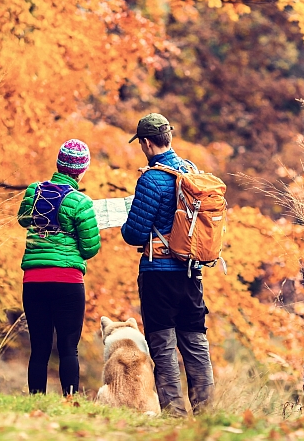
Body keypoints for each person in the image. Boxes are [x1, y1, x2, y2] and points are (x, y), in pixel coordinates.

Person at [121, 113, 215, 416]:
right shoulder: (191, 172)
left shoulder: (151, 179)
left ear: (147, 143)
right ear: (170, 137)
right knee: (195, 343)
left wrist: (128, 219)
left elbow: (134, 232)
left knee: (163, 346)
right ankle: (206, 415)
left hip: (158, 274)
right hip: (191, 272)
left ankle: (175, 418)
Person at [17, 139, 101, 395]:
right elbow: (90, 249)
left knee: (39, 348)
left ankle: (35, 402)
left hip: (34, 280)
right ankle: (70, 401)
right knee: (68, 347)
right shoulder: (81, 202)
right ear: (82, 170)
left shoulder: (34, 191)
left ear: (58, 164)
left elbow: (22, 220)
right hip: (67, 281)